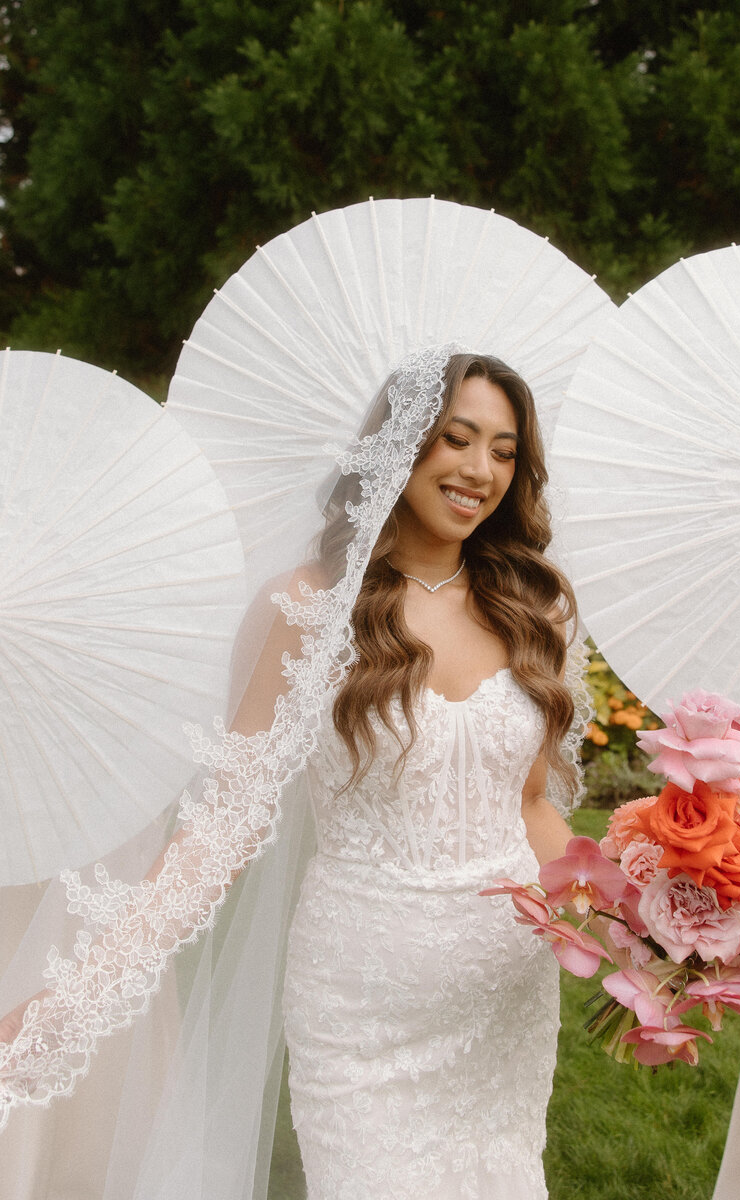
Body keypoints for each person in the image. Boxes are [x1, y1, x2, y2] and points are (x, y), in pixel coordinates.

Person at [0, 347, 587, 1199]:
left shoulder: (533, 606)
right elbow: (220, 835)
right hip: (362, 1003)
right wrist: (72, 999)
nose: (480, 470)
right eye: (457, 439)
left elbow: (530, 804)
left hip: (506, 999)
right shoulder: (306, 608)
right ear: (399, 444)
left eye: (504, 450)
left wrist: (630, 918)